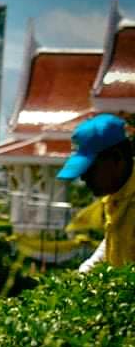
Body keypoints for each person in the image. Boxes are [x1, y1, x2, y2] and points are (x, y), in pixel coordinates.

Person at [57, 114, 134, 271]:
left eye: (90, 169)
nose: (83, 177)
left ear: (117, 158)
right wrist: (84, 272)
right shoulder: (115, 197)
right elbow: (113, 240)